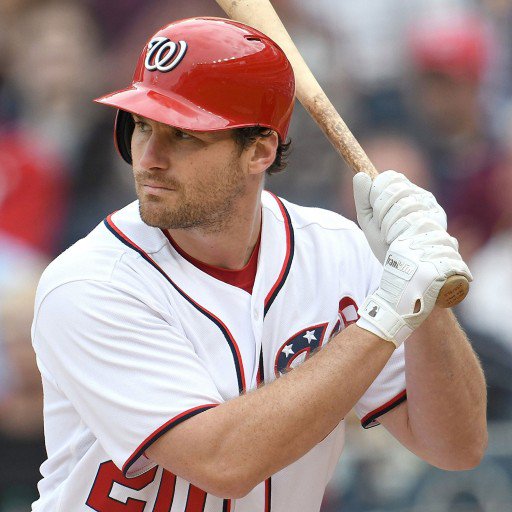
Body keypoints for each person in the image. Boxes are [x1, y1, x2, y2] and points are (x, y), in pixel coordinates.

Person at [31, 17, 487, 512]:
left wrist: (425, 302)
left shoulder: (335, 251)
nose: (149, 158)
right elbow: (224, 463)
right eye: (142, 126)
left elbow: (456, 447)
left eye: (184, 136)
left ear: (260, 149)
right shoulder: (90, 283)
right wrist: (388, 317)